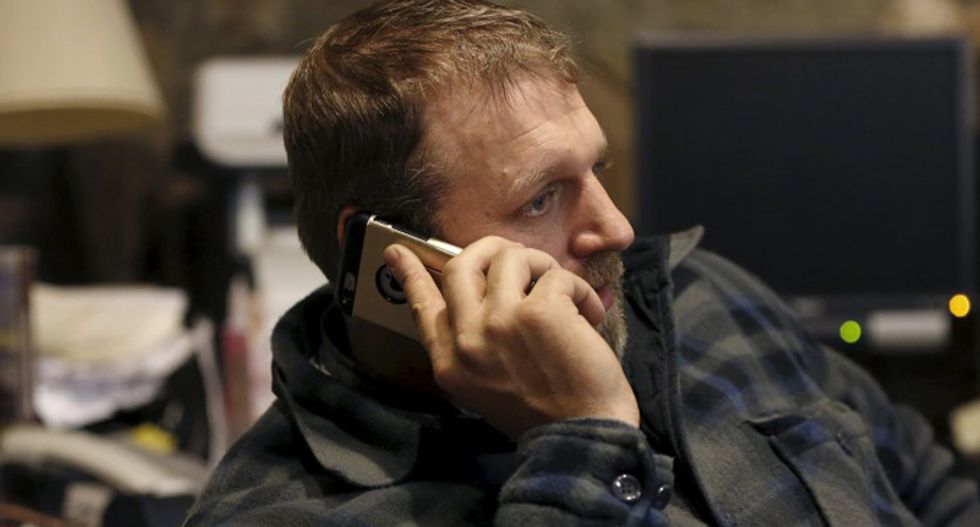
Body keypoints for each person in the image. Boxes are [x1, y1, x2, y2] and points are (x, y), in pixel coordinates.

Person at [184, 1, 980, 525]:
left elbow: (927, 484)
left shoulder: (700, 294)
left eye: (596, 170)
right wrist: (580, 435)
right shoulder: (282, 510)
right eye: (541, 199)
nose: (618, 230)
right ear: (394, 262)